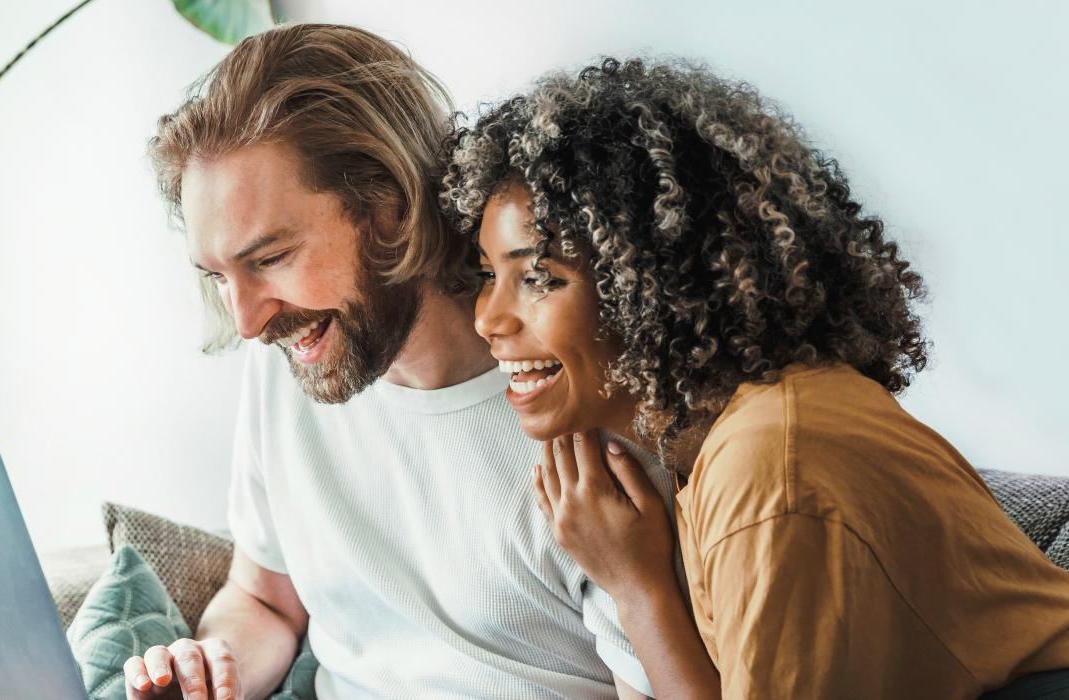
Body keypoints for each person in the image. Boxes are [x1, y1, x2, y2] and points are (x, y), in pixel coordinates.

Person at [444, 56, 1069, 698]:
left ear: (659, 287)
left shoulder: (769, 474)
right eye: (490, 275)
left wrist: (637, 590)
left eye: (539, 277)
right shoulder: (722, 441)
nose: (489, 319)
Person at [130, 25, 684, 700]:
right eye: (219, 274)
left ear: (390, 208)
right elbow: (265, 598)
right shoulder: (289, 363)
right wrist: (213, 669)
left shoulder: (587, 407)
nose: (248, 321)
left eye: (270, 259)